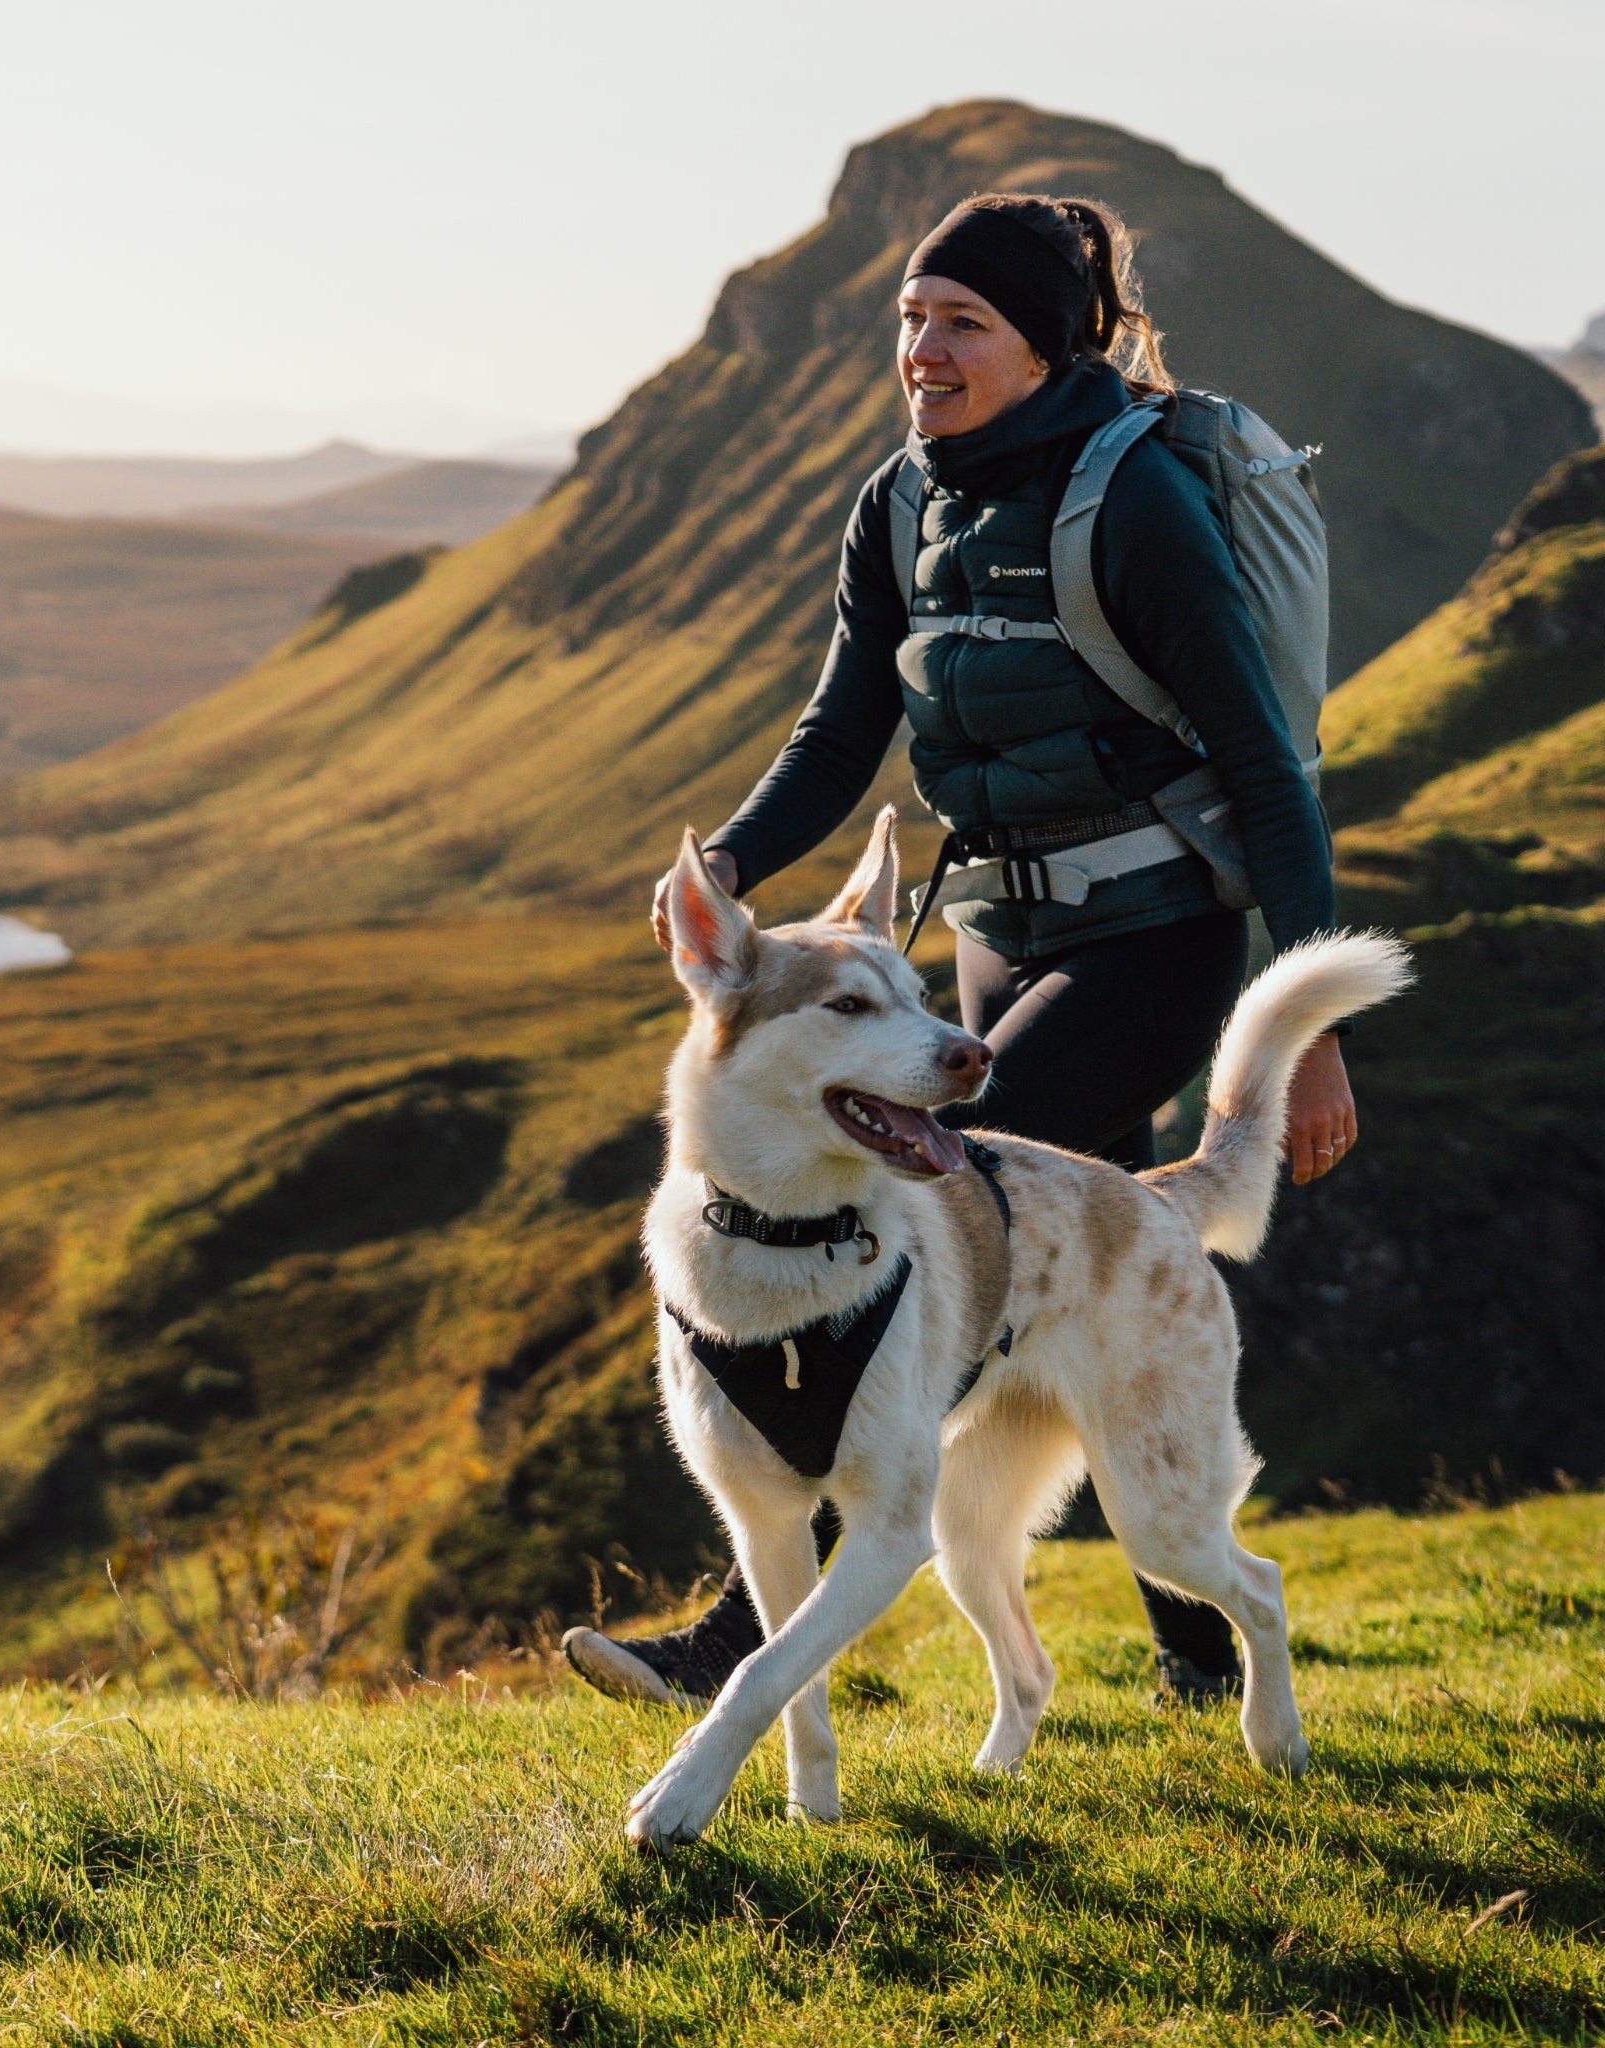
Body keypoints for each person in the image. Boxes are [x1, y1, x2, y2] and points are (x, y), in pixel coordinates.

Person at [562, 191, 1358, 1711]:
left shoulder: (1136, 502)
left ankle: (732, 1646)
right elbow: (841, 723)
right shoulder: (900, 502)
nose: (923, 350)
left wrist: (1311, 1026)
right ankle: (1196, 1669)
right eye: (911, 320)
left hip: (1154, 935)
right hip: (999, 934)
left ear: (1046, 345)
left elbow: (1265, 763)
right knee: (1102, 1288)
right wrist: (732, 853)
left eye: (962, 324)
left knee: (950, 1197)